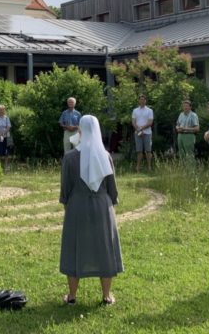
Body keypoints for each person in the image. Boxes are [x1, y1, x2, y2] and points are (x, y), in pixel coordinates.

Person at [59, 115, 123, 305]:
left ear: (81, 131)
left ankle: (72, 296)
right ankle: (106, 296)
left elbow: (66, 188)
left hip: (77, 205)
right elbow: (112, 188)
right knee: (104, 247)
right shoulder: (105, 156)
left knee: (74, 247)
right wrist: (110, 203)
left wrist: (67, 204)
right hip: (102, 206)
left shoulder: (70, 157)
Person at [131, 94, 154, 172]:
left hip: (147, 133)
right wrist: (139, 130)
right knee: (139, 151)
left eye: (143, 99)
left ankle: (149, 167)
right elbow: (133, 122)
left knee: (148, 151)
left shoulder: (150, 110)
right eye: (140, 99)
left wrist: (142, 128)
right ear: (138, 100)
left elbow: (150, 122)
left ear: (145, 101)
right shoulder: (135, 110)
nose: (142, 101)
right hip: (138, 133)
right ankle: (138, 167)